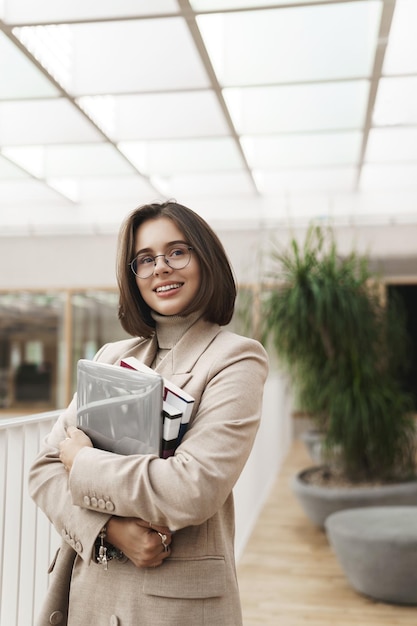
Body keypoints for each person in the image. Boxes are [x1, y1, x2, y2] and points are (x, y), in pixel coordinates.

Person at [29, 200, 268, 626]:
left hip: (170, 607)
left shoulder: (236, 360)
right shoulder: (110, 356)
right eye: (145, 259)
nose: (161, 267)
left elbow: (192, 487)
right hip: (89, 597)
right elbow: (45, 469)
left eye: (177, 252)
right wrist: (109, 529)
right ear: (133, 275)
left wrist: (82, 462)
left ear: (205, 259)